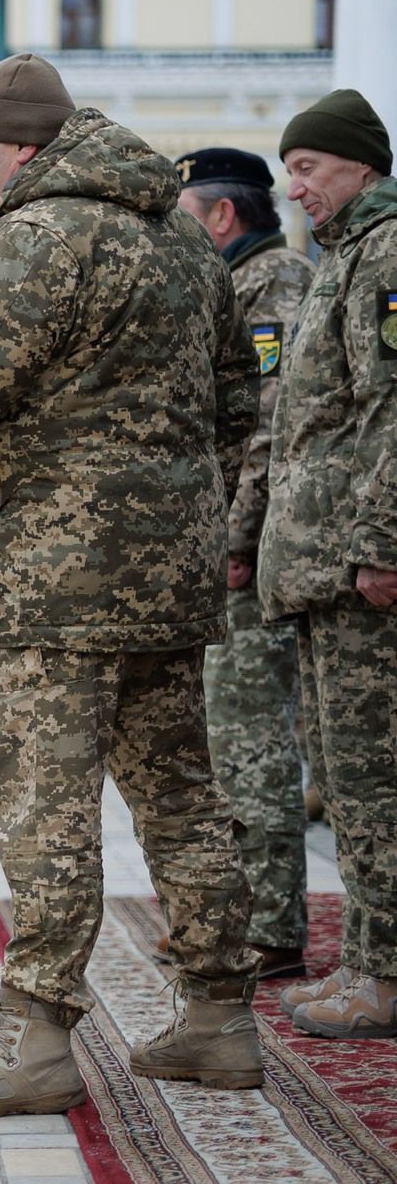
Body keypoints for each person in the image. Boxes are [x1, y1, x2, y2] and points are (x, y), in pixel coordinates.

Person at [0, 53, 262, 1115]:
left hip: (57, 581)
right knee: (178, 793)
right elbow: (232, 401)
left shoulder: (24, 241)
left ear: (21, 147)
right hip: (168, 575)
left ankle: (31, 1037)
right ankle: (218, 1015)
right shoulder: (177, 237)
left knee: (44, 805)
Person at [261, 90, 397, 1039]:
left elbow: (391, 410)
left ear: (359, 165)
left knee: (374, 780)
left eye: (308, 167)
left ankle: (383, 978)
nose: (294, 186)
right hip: (322, 571)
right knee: (345, 784)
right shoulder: (341, 259)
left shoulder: (386, 255)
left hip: (361, 571)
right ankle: (364, 963)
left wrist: (381, 547)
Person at [169, 146, 314, 982]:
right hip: (232, 546)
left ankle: (270, 930)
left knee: (252, 741)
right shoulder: (233, 285)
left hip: (252, 554)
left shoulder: (273, 286)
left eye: (186, 216)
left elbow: (264, 426)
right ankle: (232, 922)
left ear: (222, 217)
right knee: (224, 741)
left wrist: (232, 537)